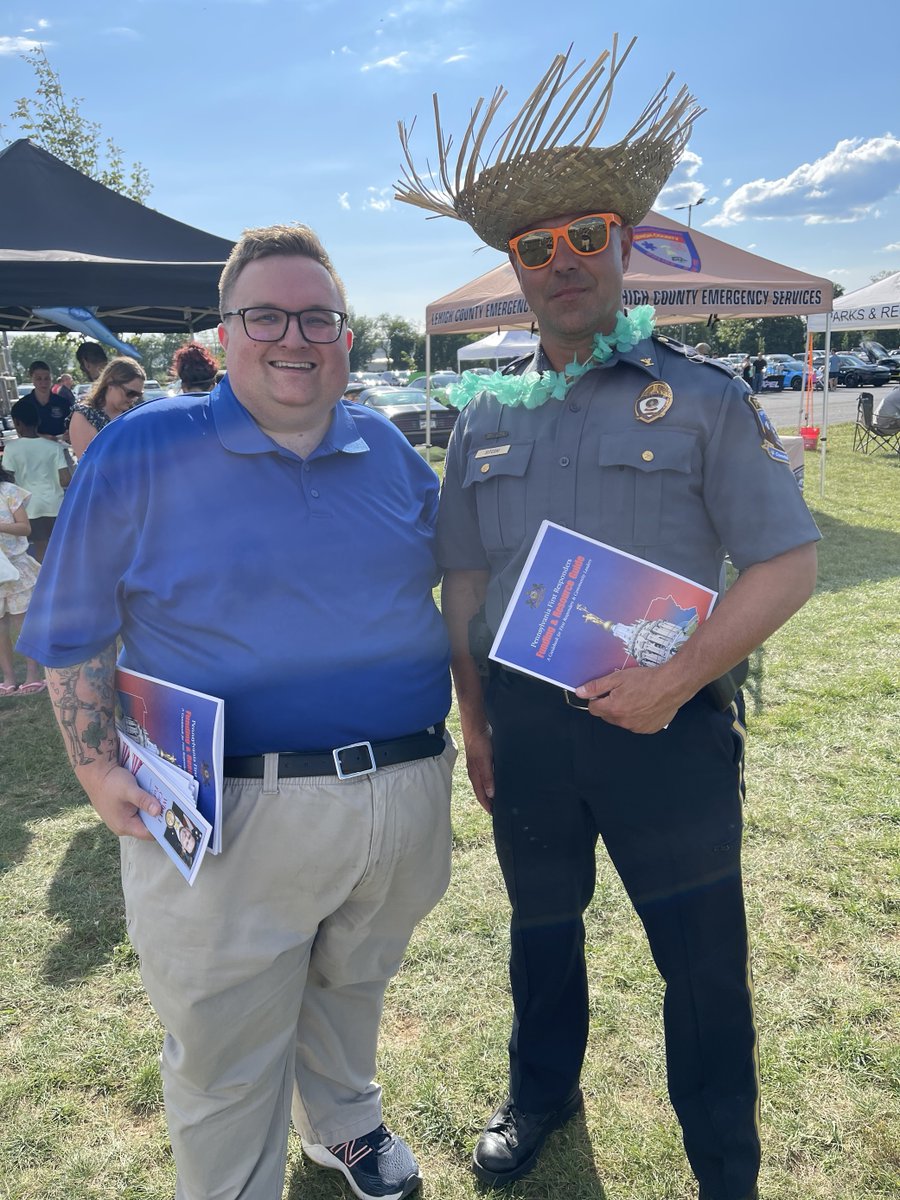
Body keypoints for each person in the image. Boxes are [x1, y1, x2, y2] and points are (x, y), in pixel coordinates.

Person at [395, 38, 820, 1200]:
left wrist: (677, 680)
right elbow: (467, 586)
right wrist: (475, 722)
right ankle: (543, 1091)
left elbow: (786, 564)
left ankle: (724, 1164)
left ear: (626, 244)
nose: (562, 261)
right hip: (530, 732)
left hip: (667, 727)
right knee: (541, 929)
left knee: (702, 961)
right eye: (536, 248)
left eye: (586, 235)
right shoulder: (483, 419)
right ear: (515, 272)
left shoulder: (701, 398)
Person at [18, 222, 456, 1200]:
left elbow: (455, 590)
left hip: (402, 791)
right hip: (229, 809)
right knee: (222, 1040)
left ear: (345, 334)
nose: (293, 336)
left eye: (319, 316)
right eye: (266, 314)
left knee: (353, 984)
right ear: (225, 333)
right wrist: (94, 768)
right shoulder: (138, 449)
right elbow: (76, 625)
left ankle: (341, 1124)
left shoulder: (387, 448)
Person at [1, 398, 70, 561]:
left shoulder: (11, 449)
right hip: (56, 506)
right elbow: (65, 480)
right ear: (38, 420)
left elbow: (8, 482)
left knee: (40, 550)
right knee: (61, 548)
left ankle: (44, 584)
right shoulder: (54, 447)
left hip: (29, 508)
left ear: (17, 423)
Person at [0, 461, 45, 695]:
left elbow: (25, 528)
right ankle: (8, 678)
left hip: (16, 569)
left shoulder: (8, 491)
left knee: (22, 624)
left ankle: (32, 674)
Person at [67, 357, 146, 460]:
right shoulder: (84, 415)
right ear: (110, 383)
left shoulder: (133, 413)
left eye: (138, 395)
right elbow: (89, 466)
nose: (133, 399)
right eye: (130, 393)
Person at [18, 359, 74, 437]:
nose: (43, 382)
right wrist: (44, 438)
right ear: (31, 379)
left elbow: (71, 427)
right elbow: (21, 433)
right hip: (33, 447)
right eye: (39, 379)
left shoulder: (63, 403)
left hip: (59, 447)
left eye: (46, 378)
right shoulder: (23, 405)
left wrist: (68, 434)